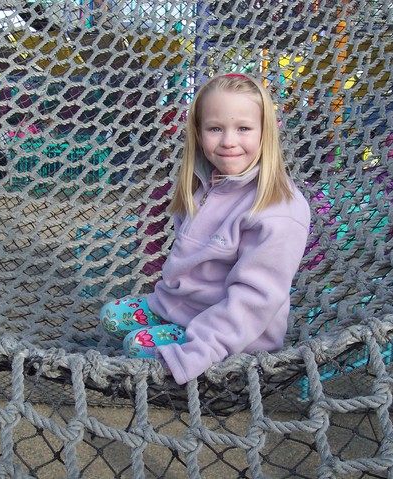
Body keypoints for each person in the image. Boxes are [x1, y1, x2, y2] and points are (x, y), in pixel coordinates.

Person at [100, 73, 311, 385]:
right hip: (186, 308)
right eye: (215, 128)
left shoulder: (278, 209)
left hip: (236, 332)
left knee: (136, 346)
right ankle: (168, 325)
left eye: (243, 128)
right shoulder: (207, 184)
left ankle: (189, 349)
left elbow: (254, 300)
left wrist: (201, 349)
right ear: (198, 135)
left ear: (265, 133)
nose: (228, 141)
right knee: (111, 316)